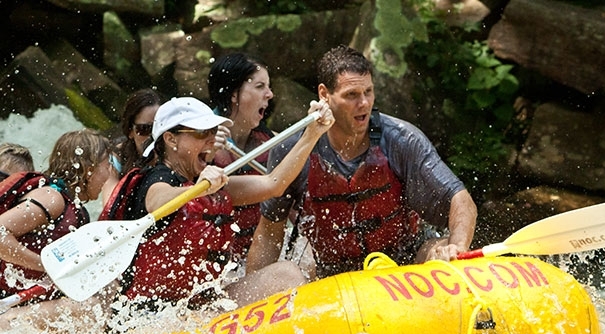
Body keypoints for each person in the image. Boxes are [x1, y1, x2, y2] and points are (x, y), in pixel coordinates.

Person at [247, 45, 478, 280]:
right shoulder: (292, 150)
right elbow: (269, 234)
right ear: (324, 94)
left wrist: (457, 248)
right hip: (335, 276)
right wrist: (253, 287)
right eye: (352, 95)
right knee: (292, 273)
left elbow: (460, 198)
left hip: (406, 264)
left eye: (368, 92)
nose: (364, 103)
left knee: (438, 249)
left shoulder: (401, 139)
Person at [101, 96, 333, 311]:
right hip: (151, 312)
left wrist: (312, 135)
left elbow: (273, 184)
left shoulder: (207, 182)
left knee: (286, 275)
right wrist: (198, 190)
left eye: (213, 131)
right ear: (171, 139)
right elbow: (156, 202)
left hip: (199, 303)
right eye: (202, 133)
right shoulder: (157, 179)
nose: (212, 139)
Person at [0, 129, 111, 302]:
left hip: (16, 300)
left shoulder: (74, 209)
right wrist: (47, 266)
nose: (110, 173)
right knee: (90, 306)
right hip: (5, 300)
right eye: (107, 165)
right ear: (89, 169)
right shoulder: (51, 197)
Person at [207, 53, 275, 264]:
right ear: (233, 94)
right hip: (213, 264)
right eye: (260, 86)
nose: (270, 94)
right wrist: (205, 155)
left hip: (252, 258)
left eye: (268, 86)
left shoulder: (268, 140)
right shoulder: (197, 139)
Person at [102, 88, 163, 204]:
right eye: (144, 129)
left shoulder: (174, 154)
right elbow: (110, 206)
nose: (153, 136)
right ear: (130, 131)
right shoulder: (117, 157)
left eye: (159, 128)